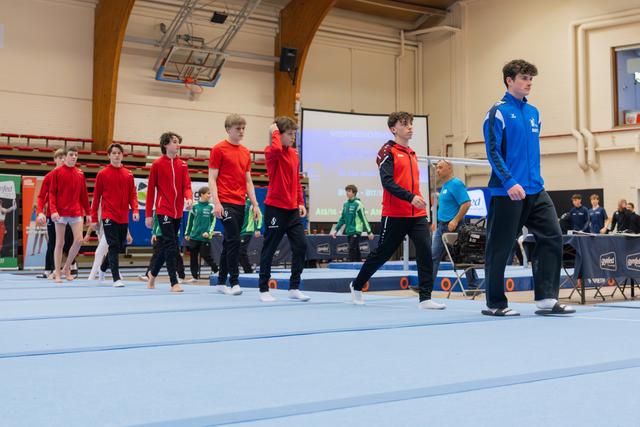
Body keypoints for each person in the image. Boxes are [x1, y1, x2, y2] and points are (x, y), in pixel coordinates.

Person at [482, 59, 574, 316]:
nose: (529, 82)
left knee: (552, 236)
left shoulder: (534, 112)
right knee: (501, 246)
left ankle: (546, 299)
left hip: (535, 189)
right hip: (507, 191)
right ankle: (495, 304)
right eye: (524, 77)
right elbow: (492, 151)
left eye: (531, 78)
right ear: (509, 80)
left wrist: (532, 182)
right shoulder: (497, 112)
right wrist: (509, 181)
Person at [349, 111, 444, 309]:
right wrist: (410, 198)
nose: (410, 127)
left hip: (416, 215)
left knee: (426, 251)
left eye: (411, 123)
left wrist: (416, 200)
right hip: (395, 214)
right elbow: (387, 182)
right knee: (382, 254)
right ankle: (357, 285)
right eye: (404, 124)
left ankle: (425, 298)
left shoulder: (412, 154)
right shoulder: (387, 152)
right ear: (394, 129)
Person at [257, 117, 311, 302]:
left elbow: (296, 180)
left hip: (292, 210)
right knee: (270, 248)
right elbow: (277, 148)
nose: (293, 137)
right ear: (279, 135)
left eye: (294, 134)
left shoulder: (294, 154)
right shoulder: (272, 151)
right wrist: (274, 130)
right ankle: (264, 289)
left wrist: (300, 202)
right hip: (275, 208)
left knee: (301, 245)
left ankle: (294, 286)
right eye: (289, 134)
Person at [208, 114, 260, 296]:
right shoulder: (218, 149)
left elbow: (248, 181)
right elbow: (212, 178)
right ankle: (234, 282)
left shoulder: (246, 152)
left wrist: (255, 204)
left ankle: (220, 282)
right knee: (235, 241)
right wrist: (216, 203)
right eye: (238, 128)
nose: (241, 131)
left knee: (230, 242)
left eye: (243, 128)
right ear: (228, 129)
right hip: (225, 202)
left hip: (240, 204)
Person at [145, 132, 193, 292]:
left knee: (166, 246)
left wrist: (189, 198)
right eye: (174, 142)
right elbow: (151, 191)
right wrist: (147, 215)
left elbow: (187, 186)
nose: (177, 144)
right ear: (165, 144)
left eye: (178, 142)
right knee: (172, 245)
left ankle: (152, 274)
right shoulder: (157, 165)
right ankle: (174, 282)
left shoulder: (183, 165)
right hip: (163, 209)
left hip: (177, 211)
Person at [90, 143, 139, 287]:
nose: (117, 155)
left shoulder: (128, 174)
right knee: (112, 245)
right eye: (114, 153)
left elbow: (133, 195)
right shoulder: (102, 174)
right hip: (108, 215)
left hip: (123, 216)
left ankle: (103, 268)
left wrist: (135, 210)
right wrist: (93, 218)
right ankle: (116, 278)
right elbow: (96, 197)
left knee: (117, 246)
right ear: (109, 155)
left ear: (122, 155)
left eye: (119, 153)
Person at [429, 159, 478, 291]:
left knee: (462, 257)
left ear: (449, 168)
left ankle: (473, 285)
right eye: (437, 168)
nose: (437, 170)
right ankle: (426, 286)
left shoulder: (456, 183)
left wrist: (455, 220)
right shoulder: (445, 186)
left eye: (440, 167)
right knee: (433, 256)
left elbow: (466, 203)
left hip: (454, 226)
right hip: (442, 227)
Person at [48, 146, 90, 283]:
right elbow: (52, 194)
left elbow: (84, 195)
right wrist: (53, 210)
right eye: (71, 154)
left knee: (79, 240)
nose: (74, 157)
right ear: (65, 157)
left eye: (76, 155)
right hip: (60, 212)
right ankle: (58, 273)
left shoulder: (80, 174)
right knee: (60, 242)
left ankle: (67, 267)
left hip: (76, 212)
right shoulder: (57, 173)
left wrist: (88, 213)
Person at [331, 184, 374, 262]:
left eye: (349, 191)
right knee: (356, 250)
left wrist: (369, 231)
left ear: (354, 193)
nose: (347, 193)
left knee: (351, 249)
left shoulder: (358, 204)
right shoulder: (345, 204)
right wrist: (335, 230)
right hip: (349, 231)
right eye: (346, 191)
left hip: (356, 230)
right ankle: (359, 266)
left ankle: (351, 267)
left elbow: (363, 218)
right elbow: (342, 219)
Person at [185, 186, 218, 281]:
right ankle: (194, 276)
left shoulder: (211, 207)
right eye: (208, 193)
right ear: (202, 195)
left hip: (205, 237)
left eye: (210, 193)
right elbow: (190, 221)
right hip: (194, 237)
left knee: (205, 255)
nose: (209, 195)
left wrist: (209, 232)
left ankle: (216, 270)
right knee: (193, 257)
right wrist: (187, 233)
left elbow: (213, 222)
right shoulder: (194, 207)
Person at [239, 196, 263, 274]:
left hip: (247, 230)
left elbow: (260, 216)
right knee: (235, 251)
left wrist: (258, 229)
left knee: (241, 251)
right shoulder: (236, 201)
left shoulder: (250, 202)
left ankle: (248, 271)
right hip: (237, 232)